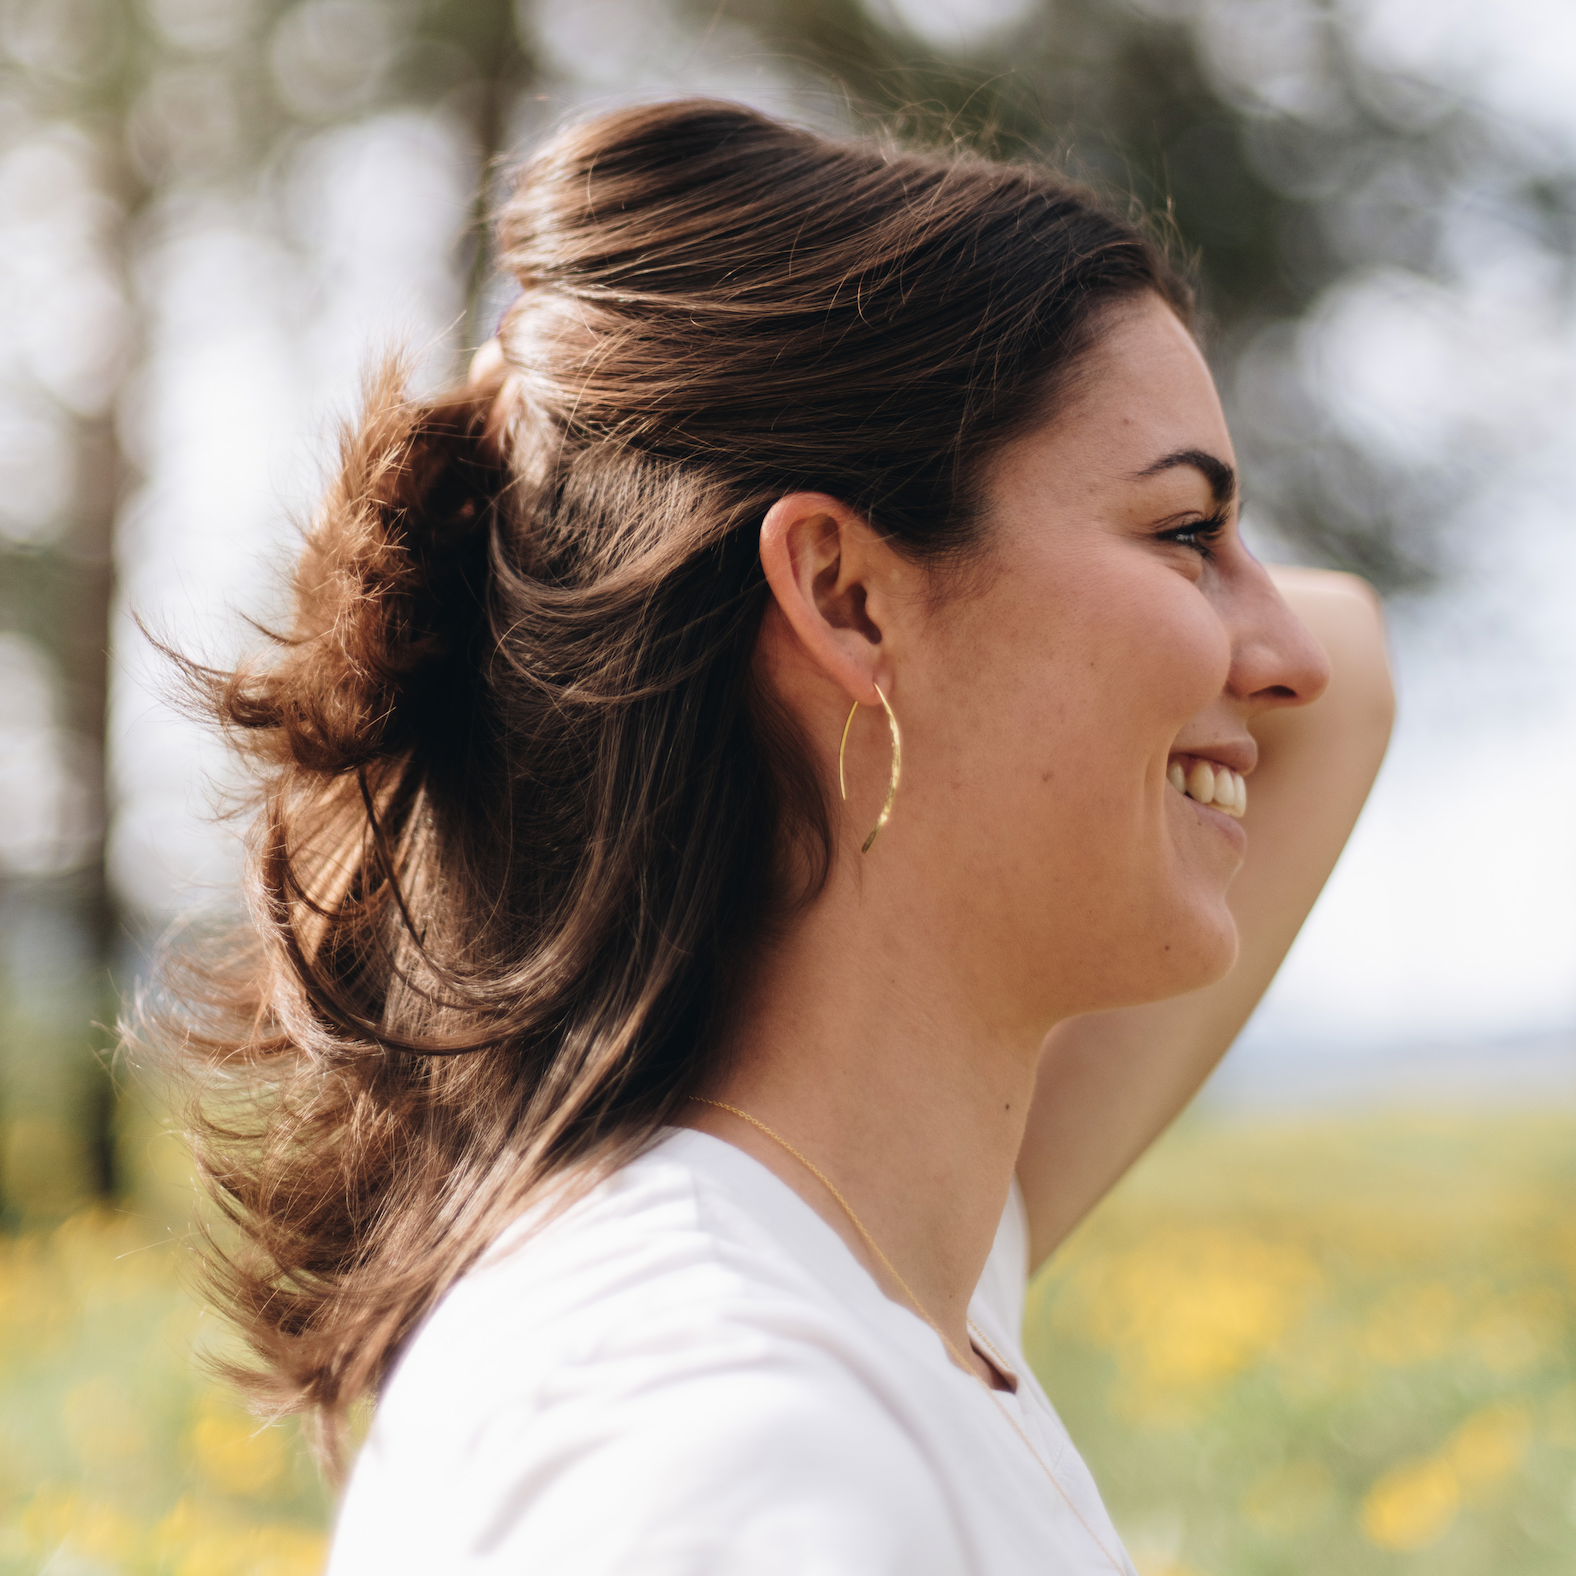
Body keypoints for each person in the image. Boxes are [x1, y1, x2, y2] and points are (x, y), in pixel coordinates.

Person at [166, 99, 1393, 1574]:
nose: (1282, 656)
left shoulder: (884, 1280)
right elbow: (1335, 669)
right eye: (1188, 534)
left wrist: (580, 428)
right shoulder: (714, 1429)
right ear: (848, 595)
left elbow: (1350, 670)